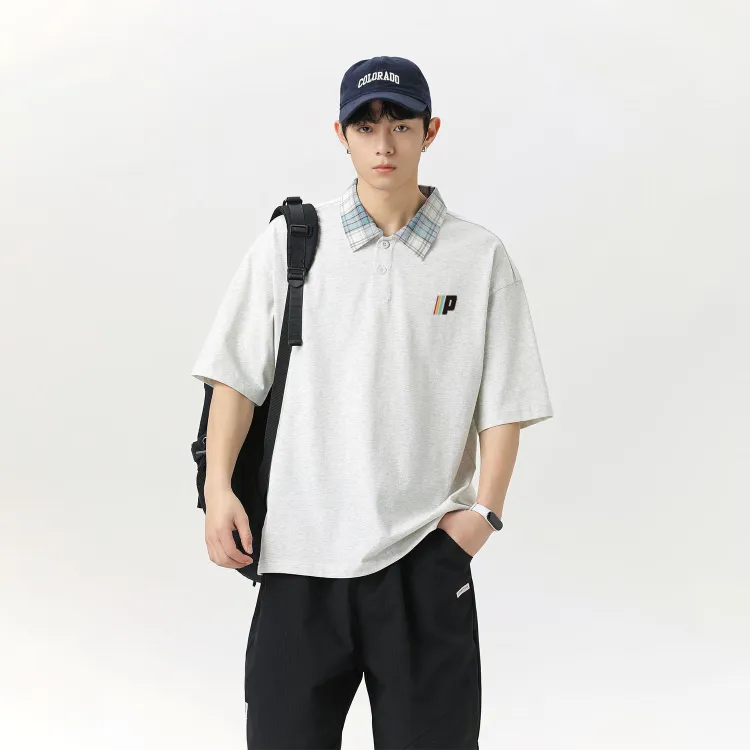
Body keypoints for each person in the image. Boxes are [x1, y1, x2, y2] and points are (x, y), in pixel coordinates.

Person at [190, 54, 554, 750]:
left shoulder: (479, 257)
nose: (384, 144)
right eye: (365, 127)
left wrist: (483, 516)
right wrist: (217, 491)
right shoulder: (291, 244)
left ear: (430, 131)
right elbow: (234, 378)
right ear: (342, 135)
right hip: (299, 559)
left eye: (401, 125)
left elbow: (505, 401)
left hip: (422, 559)